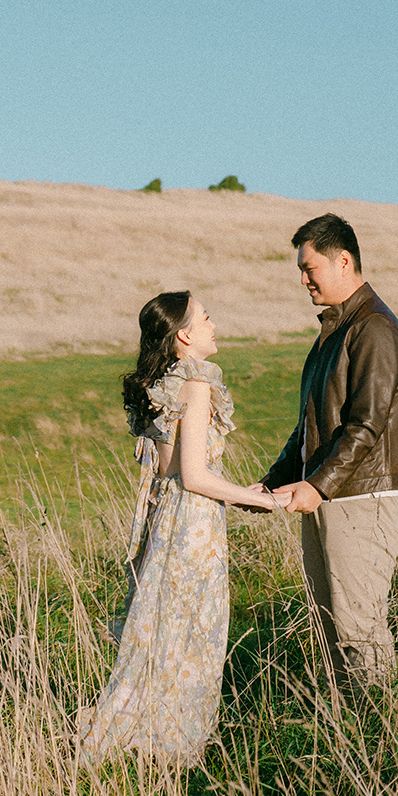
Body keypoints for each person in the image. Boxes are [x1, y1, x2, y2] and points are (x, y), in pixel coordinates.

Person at [79, 291, 288, 765]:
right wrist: (260, 499)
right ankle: (171, 743)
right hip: (194, 523)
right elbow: (194, 476)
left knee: (163, 627)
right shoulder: (194, 383)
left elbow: (169, 470)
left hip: (169, 516)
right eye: (206, 318)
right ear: (186, 336)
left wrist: (237, 490)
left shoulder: (165, 383)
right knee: (194, 630)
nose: (214, 325)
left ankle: (143, 731)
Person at [257, 213, 398, 692]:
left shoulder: (374, 329)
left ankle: (382, 724)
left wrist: (317, 486)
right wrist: (270, 485)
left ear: (343, 261)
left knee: (358, 628)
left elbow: (366, 426)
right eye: (301, 271)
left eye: (310, 269)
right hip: (330, 496)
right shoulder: (334, 332)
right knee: (330, 630)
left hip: (365, 500)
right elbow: (309, 428)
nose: (303, 280)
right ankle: (345, 726)